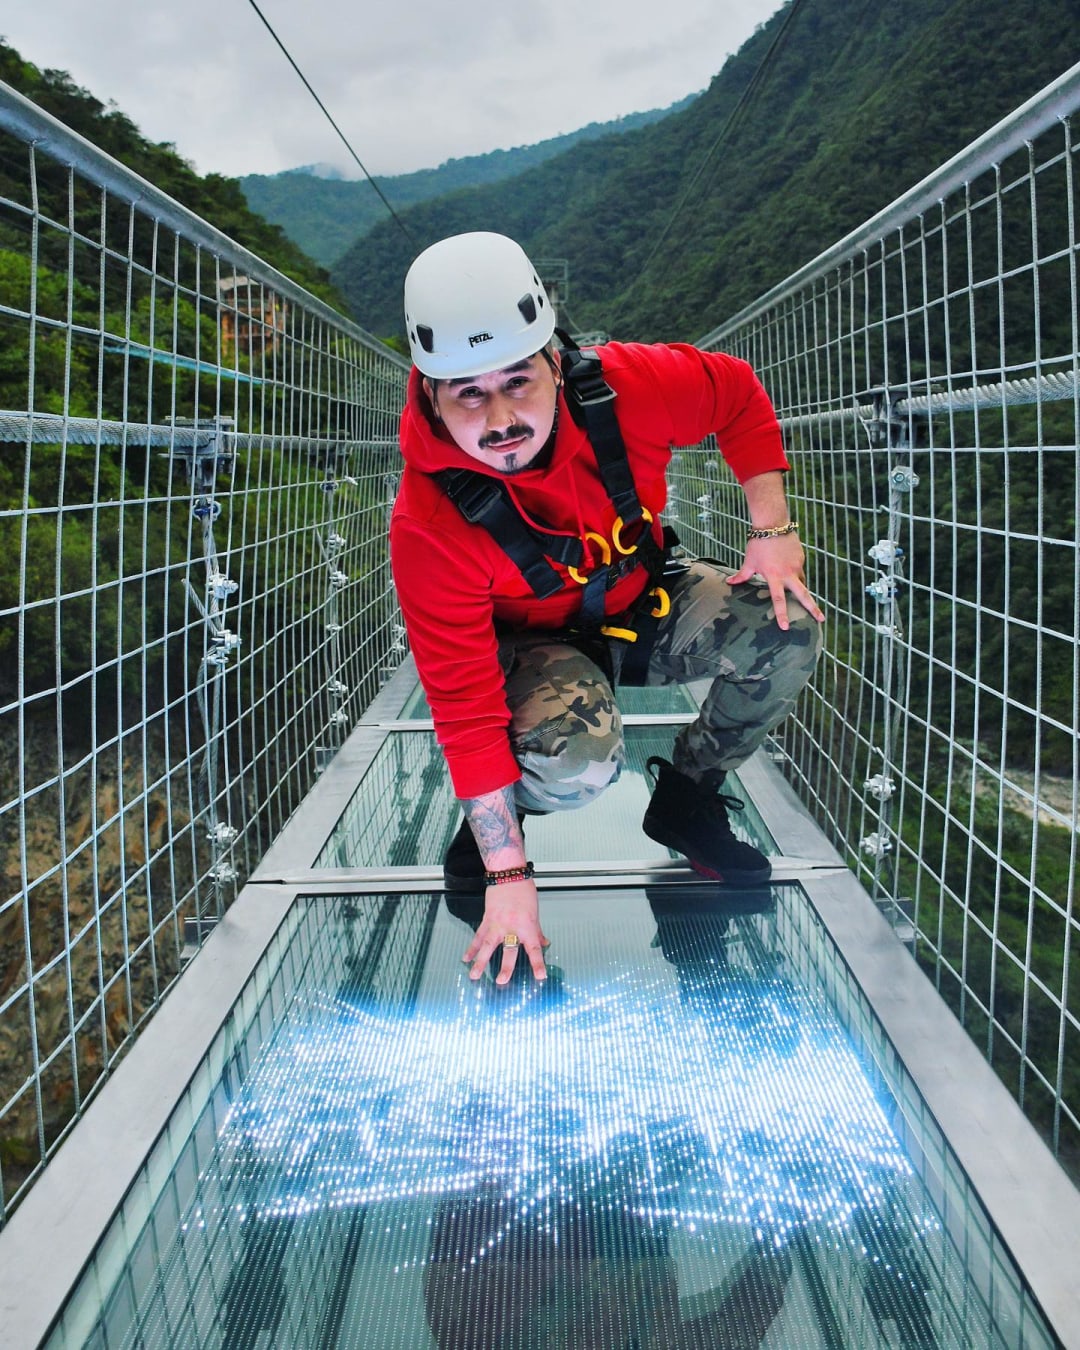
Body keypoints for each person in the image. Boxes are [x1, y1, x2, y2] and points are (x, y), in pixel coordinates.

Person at [391, 232, 824, 986]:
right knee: (578, 762)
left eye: (518, 380)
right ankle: (504, 821)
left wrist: (773, 528)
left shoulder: (626, 386)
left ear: (556, 363)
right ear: (429, 392)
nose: (500, 418)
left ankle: (689, 799)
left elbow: (737, 394)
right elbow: (462, 702)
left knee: (783, 627)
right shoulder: (428, 524)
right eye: (467, 392)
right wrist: (507, 877)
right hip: (533, 652)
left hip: (642, 601)